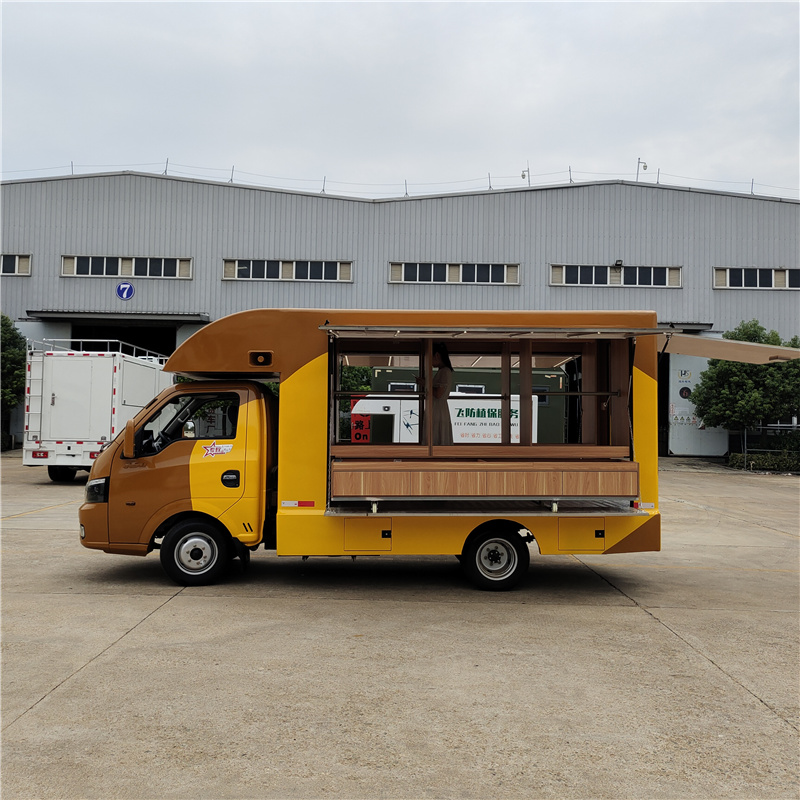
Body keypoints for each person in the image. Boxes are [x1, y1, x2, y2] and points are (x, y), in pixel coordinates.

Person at [417, 343, 454, 445]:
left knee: (436, 436)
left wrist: (425, 384)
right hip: (437, 408)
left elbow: (438, 394)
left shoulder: (445, 371)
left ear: (437, 355)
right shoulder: (443, 371)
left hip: (437, 408)